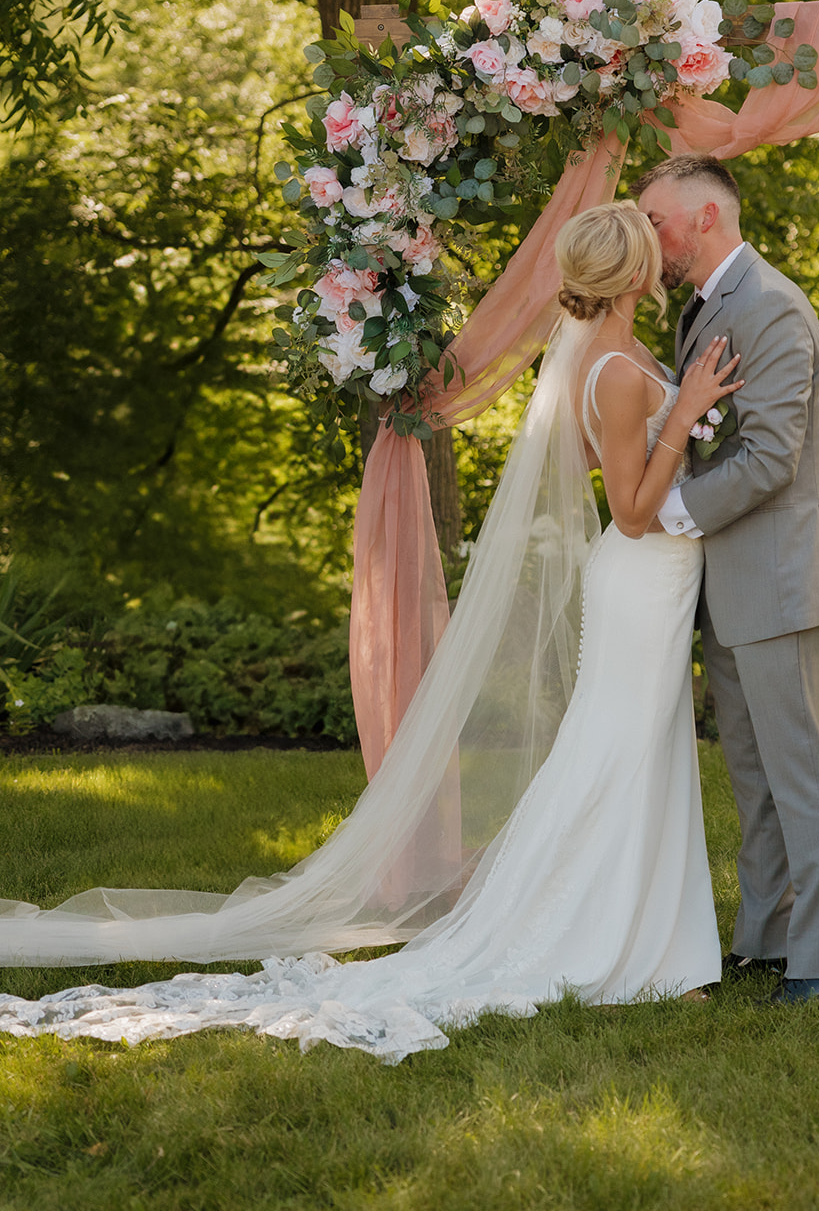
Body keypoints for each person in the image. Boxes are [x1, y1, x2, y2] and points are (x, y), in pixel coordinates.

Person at [0, 204, 741, 1061]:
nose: (664, 257)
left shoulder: (611, 356)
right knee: (619, 754)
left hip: (651, 584)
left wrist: (679, 410)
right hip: (641, 573)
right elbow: (633, 510)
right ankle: (616, 945)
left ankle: (658, 941)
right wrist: (682, 414)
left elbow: (611, 472)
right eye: (654, 248)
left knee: (635, 752)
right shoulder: (614, 371)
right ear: (636, 271)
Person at [635, 155, 819, 1006]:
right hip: (731, 578)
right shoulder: (710, 304)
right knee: (753, 771)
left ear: (704, 217)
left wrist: (669, 514)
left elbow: (770, 455)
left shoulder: (768, 306)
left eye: (655, 220)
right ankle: (765, 940)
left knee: (796, 770)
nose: (647, 236)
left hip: (772, 572)